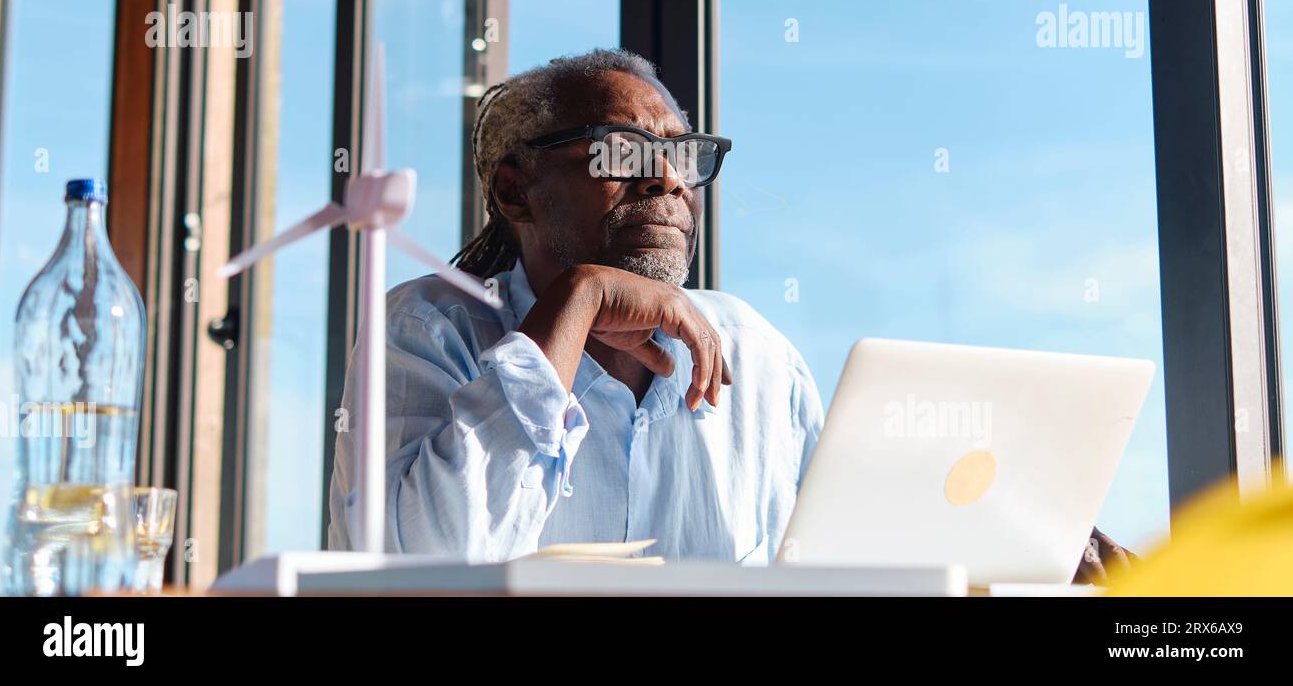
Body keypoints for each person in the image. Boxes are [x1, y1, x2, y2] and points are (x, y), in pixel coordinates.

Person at [328, 47, 1131, 577]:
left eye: (683, 156)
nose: (669, 181)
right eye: (622, 152)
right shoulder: (431, 328)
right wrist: (576, 307)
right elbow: (416, 571)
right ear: (515, 191)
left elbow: (836, 566)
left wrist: (1010, 555)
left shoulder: (759, 353)